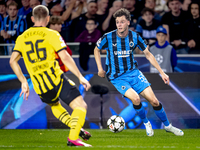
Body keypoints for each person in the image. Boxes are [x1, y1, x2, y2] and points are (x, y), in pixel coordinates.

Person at [9, 5, 92, 147]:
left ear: (32, 19)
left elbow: (12, 61)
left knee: (55, 104)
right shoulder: (51, 34)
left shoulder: (22, 38)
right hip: (55, 79)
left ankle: (75, 126)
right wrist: (80, 76)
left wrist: (23, 81)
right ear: (47, 19)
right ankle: (73, 137)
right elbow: (65, 57)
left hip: (40, 86)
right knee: (80, 106)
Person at [94, 8, 184, 136]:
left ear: (128, 23)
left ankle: (168, 126)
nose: (119, 24)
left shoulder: (135, 37)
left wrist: (162, 73)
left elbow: (148, 54)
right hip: (117, 77)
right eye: (117, 22)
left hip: (134, 73)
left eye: (122, 22)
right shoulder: (108, 37)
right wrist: (100, 68)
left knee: (154, 102)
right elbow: (96, 50)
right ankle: (147, 124)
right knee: (136, 99)